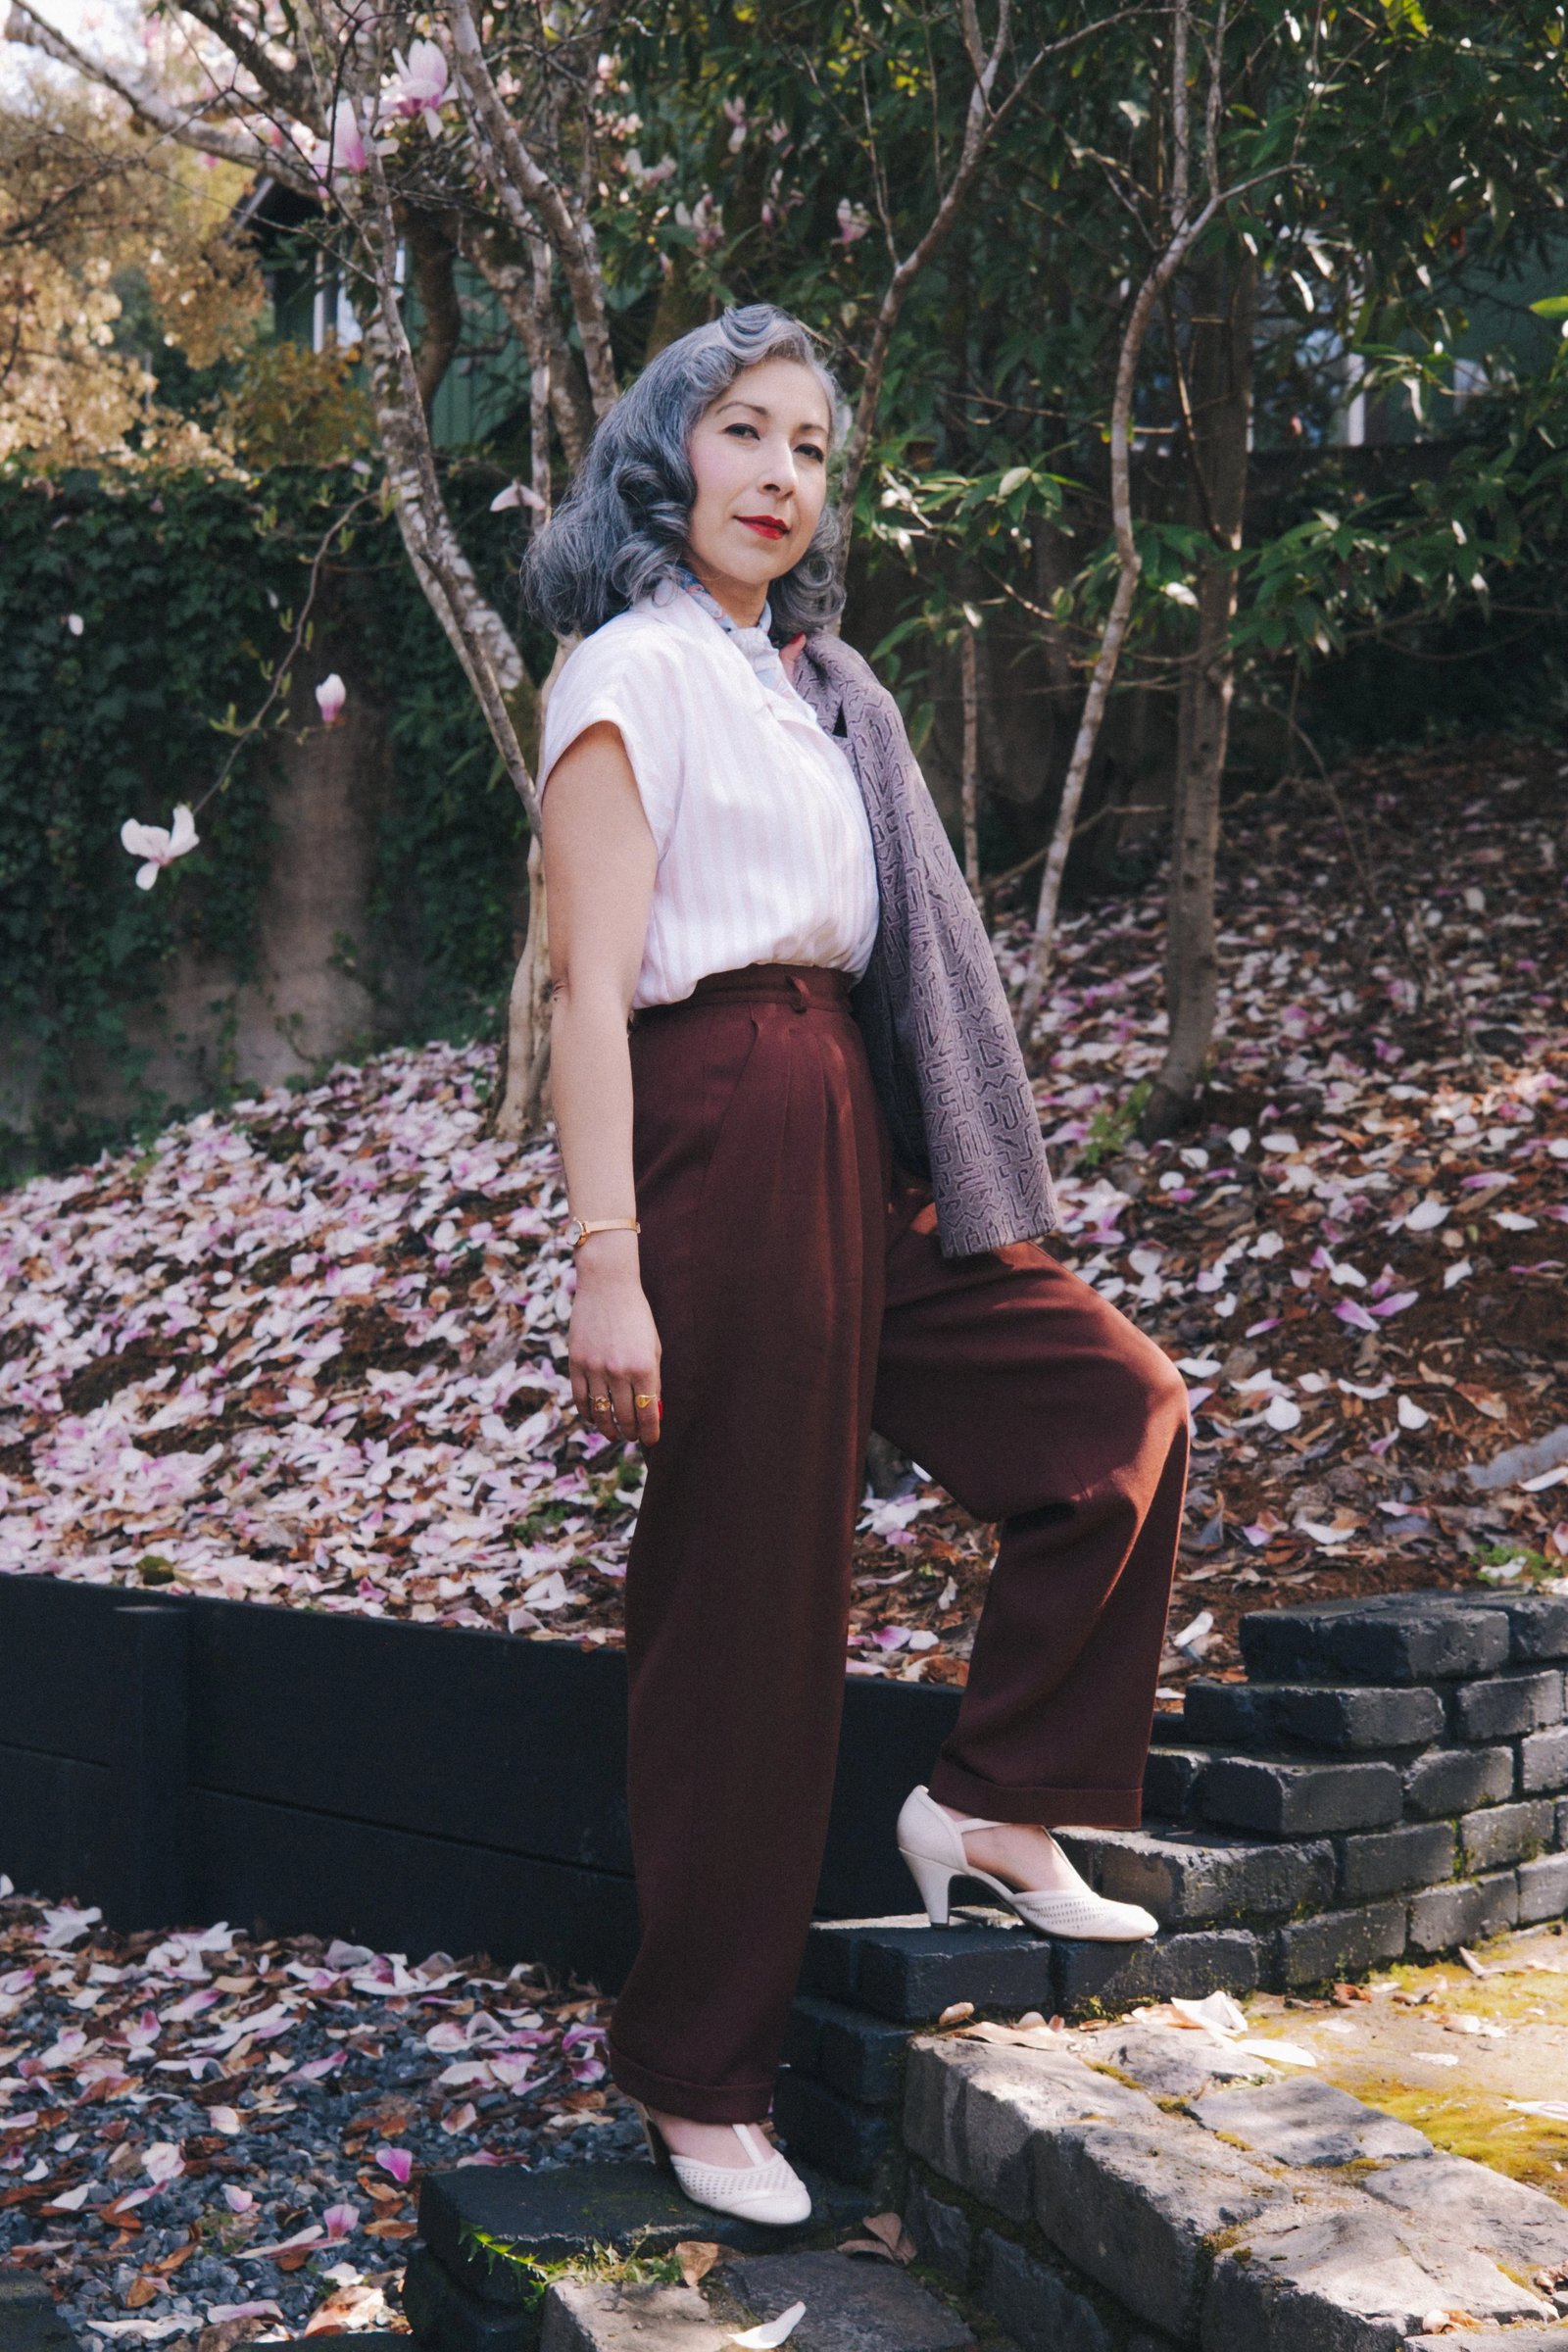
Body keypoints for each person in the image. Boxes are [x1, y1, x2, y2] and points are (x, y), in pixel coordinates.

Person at [519, 304, 1189, 2229]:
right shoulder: (622, 678)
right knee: (748, 1597)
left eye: (809, 446)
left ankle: (989, 1797)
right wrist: (605, 1264)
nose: (779, 475)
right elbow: (586, 1004)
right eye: (743, 431)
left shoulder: (808, 680)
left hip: (849, 1123)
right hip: (712, 1113)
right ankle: (694, 2071)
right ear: (671, 451)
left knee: (1109, 1408)